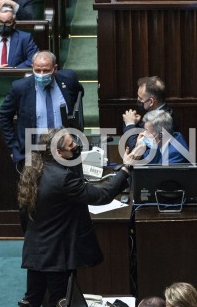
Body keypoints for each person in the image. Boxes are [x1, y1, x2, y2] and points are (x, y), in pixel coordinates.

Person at [18, 128, 132, 307]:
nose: (76, 146)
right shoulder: (63, 179)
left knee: (32, 299)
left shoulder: (33, 169)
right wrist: (125, 169)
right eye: (71, 145)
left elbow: (24, 215)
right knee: (60, 301)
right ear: (58, 152)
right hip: (56, 255)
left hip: (35, 250)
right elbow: (102, 195)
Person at [0, 50, 84, 169]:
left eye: (46, 70)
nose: (42, 74)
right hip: (34, 154)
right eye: (37, 70)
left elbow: (79, 96)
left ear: (55, 68)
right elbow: (4, 116)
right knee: (34, 187)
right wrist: (13, 147)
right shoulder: (20, 88)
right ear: (32, 67)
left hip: (65, 151)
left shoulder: (68, 79)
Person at [122, 76, 174, 151]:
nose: (138, 100)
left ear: (151, 102)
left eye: (141, 98)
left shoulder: (164, 119)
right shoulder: (155, 114)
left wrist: (130, 124)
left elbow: (137, 151)